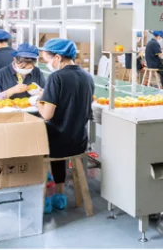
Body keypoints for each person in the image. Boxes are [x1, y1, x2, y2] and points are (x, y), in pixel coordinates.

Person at [36, 39, 95, 214]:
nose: (47, 64)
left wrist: (38, 102)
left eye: (47, 60)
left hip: (57, 144)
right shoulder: (87, 76)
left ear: (58, 57)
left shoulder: (56, 77)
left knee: (38, 141)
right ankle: (59, 194)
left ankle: (43, 197)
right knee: (58, 137)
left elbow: (47, 115)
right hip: (78, 141)